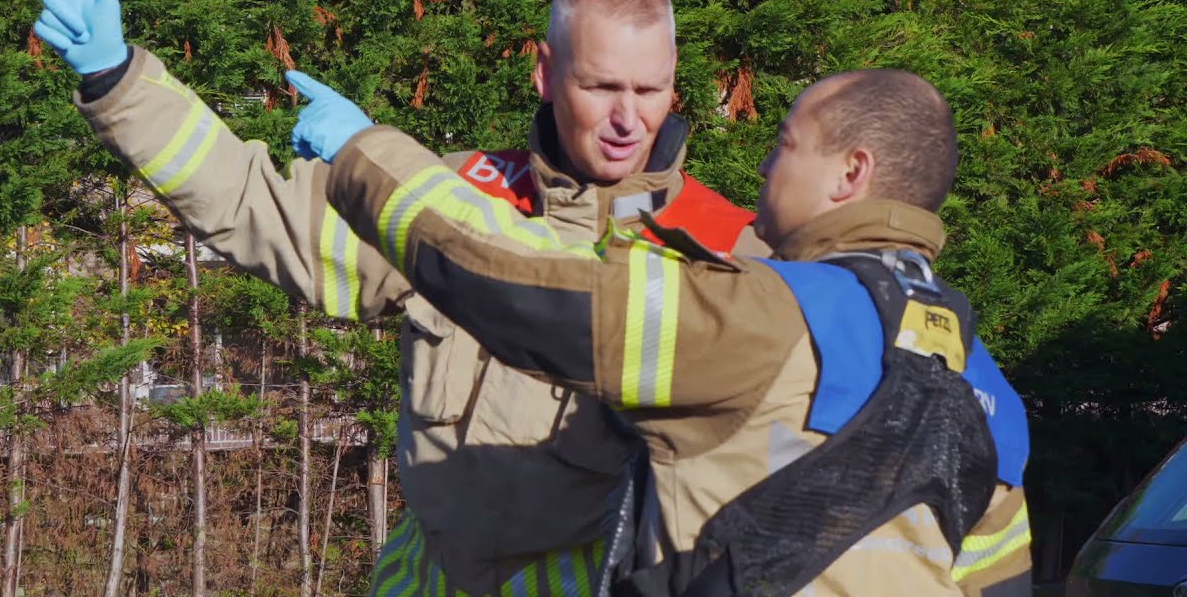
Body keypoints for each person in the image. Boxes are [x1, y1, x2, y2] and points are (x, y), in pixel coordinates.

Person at [19, 0, 765, 597]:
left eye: (649, 89)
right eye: (601, 86)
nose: (628, 119)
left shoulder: (725, 250)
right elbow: (259, 209)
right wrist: (119, 83)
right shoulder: (453, 195)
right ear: (544, 72)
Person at [289, 67, 1035, 596]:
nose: (767, 166)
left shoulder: (765, 313)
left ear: (851, 174)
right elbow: (999, 583)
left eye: (785, 144)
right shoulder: (986, 384)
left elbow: (520, 294)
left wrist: (363, 153)